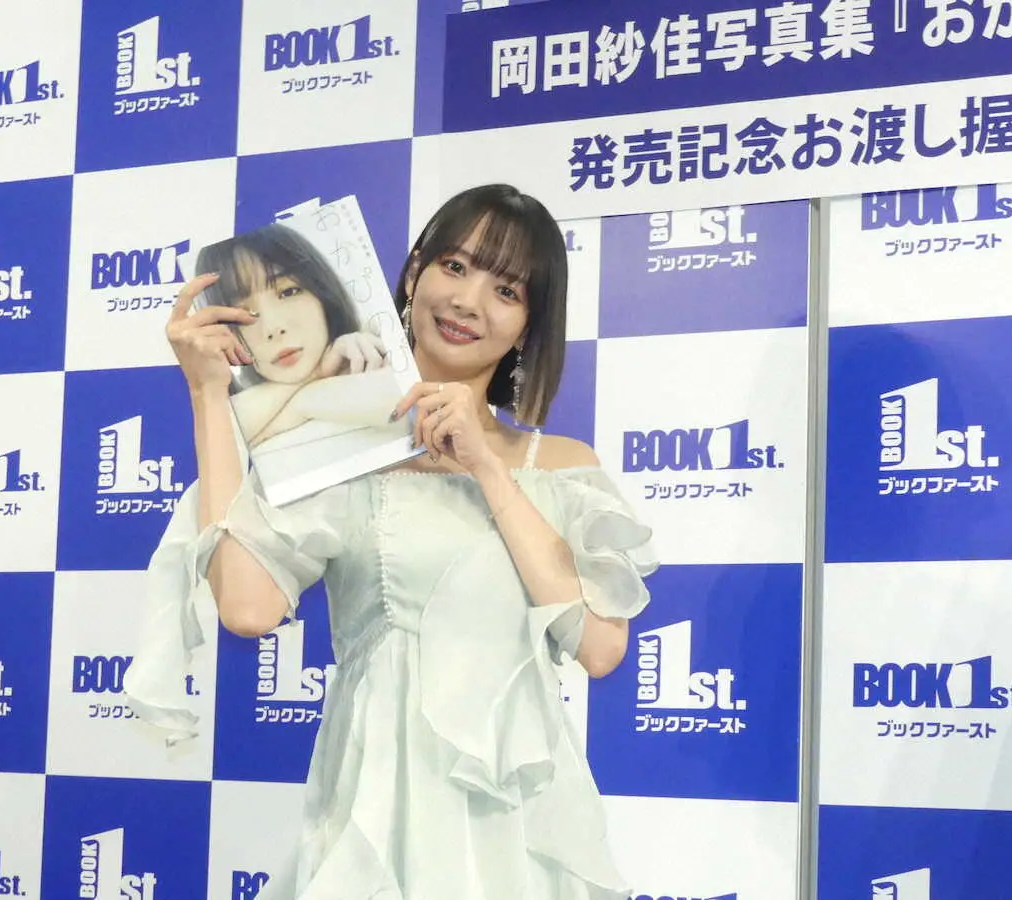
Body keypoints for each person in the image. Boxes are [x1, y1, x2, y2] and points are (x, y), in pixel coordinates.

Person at [123, 184, 660, 900]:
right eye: (454, 267)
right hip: (380, 820)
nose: (468, 301)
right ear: (412, 274)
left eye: (506, 290)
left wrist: (487, 467)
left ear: (529, 323)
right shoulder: (338, 451)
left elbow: (598, 645)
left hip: (518, 832)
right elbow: (246, 608)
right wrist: (208, 396)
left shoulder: (562, 465)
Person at [194, 221, 402, 451]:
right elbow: (221, 441)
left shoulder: (384, 341)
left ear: (323, 293)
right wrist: (314, 379)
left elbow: (401, 408)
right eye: (242, 313)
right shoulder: (230, 410)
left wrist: (300, 404)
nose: (273, 328)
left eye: (288, 292)